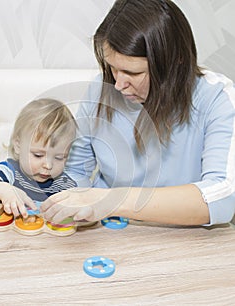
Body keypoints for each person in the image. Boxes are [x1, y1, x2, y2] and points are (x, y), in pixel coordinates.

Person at [40, 0, 235, 226]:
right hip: (111, 232)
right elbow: (75, 169)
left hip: (186, 238)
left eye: (132, 72)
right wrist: (75, 208)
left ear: (175, 63)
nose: (119, 84)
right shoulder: (100, 89)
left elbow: (222, 197)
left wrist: (110, 200)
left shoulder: (218, 98)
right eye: (113, 68)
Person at [0, 98, 77, 218]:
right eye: (38, 155)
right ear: (18, 145)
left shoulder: (65, 185)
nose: (48, 165)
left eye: (59, 157)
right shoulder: (9, 171)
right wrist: (4, 190)